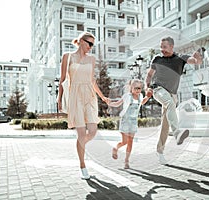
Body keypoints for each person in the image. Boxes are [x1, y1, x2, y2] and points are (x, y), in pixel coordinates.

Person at [57, 32, 110, 179]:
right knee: (81, 133)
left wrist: (102, 97)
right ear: (80, 41)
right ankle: (82, 165)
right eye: (89, 43)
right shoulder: (67, 57)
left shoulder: (92, 59)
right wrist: (59, 97)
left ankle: (80, 146)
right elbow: (62, 79)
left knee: (92, 131)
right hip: (75, 95)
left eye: (93, 45)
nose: (91, 47)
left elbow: (92, 81)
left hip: (89, 95)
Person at [144, 36, 203, 165]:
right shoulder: (157, 59)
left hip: (172, 94)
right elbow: (149, 75)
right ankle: (177, 133)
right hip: (158, 89)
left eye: (164, 47)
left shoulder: (180, 58)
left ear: (171, 46)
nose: (162, 50)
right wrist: (147, 88)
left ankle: (159, 152)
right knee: (170, 104)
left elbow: (195, 61)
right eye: (161, 47)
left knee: (165, 125)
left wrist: (198, 56)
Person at [107, 79, 152, 169]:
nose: (137, 90)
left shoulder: (140, 96)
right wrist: (110, 103)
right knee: (125, 142)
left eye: (139, 88)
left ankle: (126, 161)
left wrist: (147, 97)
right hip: (125, 120)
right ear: (131, 88)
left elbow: (142, 102)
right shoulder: (127, 96)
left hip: (134, 121)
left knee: (130, 142)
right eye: (135, 88)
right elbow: (118, 103)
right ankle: (115, 148)